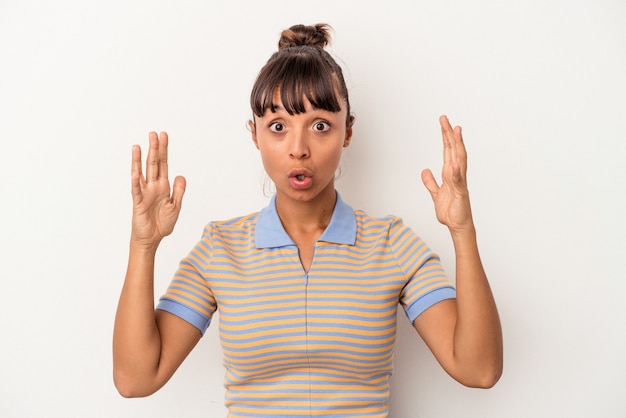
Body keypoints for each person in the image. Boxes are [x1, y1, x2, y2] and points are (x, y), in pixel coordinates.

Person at [113, 23, 502, 417]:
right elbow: (136, 380)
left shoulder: (392, 244)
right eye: (278, 127)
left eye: (320, 126)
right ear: (255, 135)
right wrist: (143, 245)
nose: (298, 149)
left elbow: (479, 369)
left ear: (347, 132)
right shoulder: (221, 248)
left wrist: (462, 232)